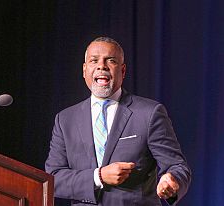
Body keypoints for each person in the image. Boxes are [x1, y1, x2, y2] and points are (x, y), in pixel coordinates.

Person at [45, 37, 191, 206]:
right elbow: (54, 179)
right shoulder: (65, 119)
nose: (102, 66)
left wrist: (172, 180)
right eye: (94, 60)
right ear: (84, 70)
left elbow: (178, 166)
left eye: (111, 60)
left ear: (122, 71)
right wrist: (98, 176)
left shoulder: (149, 113)